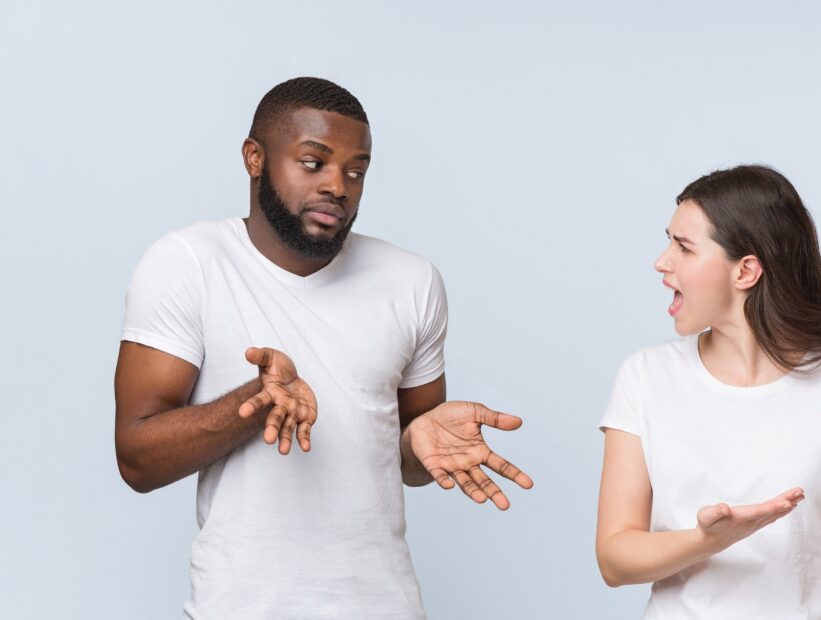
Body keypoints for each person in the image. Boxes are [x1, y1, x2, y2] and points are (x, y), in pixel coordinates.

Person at [114, 77, 533, 619]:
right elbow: (136, 459)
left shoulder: (412, 281)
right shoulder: (188, 264)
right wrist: (255, 404)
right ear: (255, 158)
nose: (338, 186)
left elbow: (408, 463)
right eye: (314, 163)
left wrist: (419, 443)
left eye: (356, 172)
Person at [595, 165, 821, 618]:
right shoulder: (646, 377)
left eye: (684, 247)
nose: (661, 261)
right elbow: (614, 560)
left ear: (746, 270)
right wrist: (706, 541)